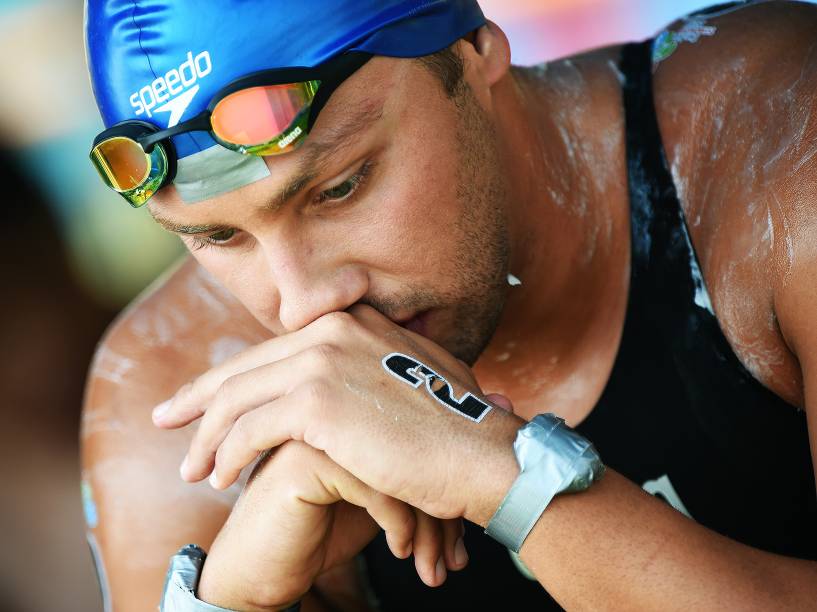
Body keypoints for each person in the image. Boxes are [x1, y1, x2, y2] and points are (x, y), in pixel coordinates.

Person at [81, 0, 817, 610]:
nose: (305, 307)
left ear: (472, 49)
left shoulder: (778, 150)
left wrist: (506, 482)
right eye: (217, 236)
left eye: (339, 187)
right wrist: (232, 600)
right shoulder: (173, 404)